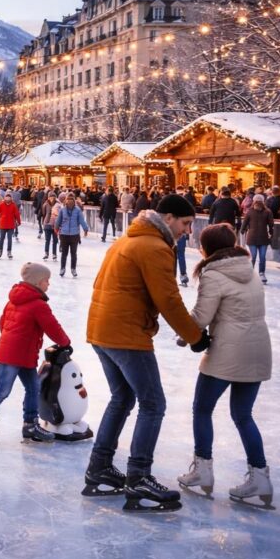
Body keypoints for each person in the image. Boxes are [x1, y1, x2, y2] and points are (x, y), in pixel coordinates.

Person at [83, 194, 209, 513]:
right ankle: (139, 475)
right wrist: (195, 336)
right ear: (167, 218)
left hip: (103, 330)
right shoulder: (153, 247)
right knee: (153, 404)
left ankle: (99, 467)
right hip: (126, 335)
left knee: (122, 398)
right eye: (185, 223)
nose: (187, 231)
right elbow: (168, 300)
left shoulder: (128, 239)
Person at [176, 224, 274, 509]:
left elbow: (201, 316)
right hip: (257, 348)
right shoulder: (249, 268)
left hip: (227, 351)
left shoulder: (213, 274)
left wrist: (184, 336)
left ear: (208, 248)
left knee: (202, 408)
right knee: (243, 415)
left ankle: (202, 470)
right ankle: (260, 475)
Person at [0, 262, 72, 448]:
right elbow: (52, 327)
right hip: (14, 354)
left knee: (33, 387)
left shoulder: (13, 300)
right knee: (3, 388)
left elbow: (2, 324)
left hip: (18, 352)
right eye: (46, 281)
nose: (48, 284)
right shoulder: (37, 304)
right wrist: (65, 342)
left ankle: (30, 424)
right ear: (38, 282)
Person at [241, 194, 273, 284]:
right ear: (254, 201)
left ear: (262, 202)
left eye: (260, 201)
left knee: (262, 257)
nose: (258, 203)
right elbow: (245, 222)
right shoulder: (250, 212)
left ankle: (261, 273)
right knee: (253, 256)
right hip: (252, 238)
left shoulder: (267, 212)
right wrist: (242, 230)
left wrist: (271, 232)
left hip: (263, 238)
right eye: (256, 201)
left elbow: (271, 224)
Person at [55, 192, 88, 277]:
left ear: (74, 201)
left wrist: (85, 229)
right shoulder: (62, 210)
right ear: (66, 200)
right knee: (64, 253)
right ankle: (62, 268)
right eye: (68, 200)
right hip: (64, 235)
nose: (70, 201)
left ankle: (73, 269)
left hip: (74, 235)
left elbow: (81, 220)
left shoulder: (77, 210)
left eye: (71, 200)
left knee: (73, 253)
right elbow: (58, 220)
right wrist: (56, 228)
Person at [0, 192, 20, 259]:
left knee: (9, 238)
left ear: (11, 199)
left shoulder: (13, 205)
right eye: (6, 198)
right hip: (3, 225)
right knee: (2, 238)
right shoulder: (1, 205)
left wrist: (19, 221)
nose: (7, 200)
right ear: (5, 198)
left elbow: (17, 214)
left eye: (9, 198)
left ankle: (9, 252)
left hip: (11, 225)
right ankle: (0, 251)